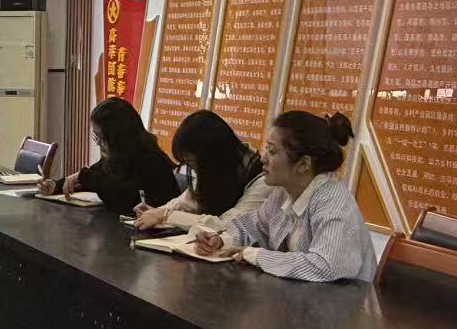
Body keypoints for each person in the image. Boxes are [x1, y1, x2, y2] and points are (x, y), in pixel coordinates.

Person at [191, 111, 376, 282]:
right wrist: (220, 240)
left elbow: (326, 266)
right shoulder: (283, 193)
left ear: (303, 164)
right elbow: (252, 226)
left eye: (272, 151)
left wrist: (255, 255)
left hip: (340, 304)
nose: (263, 158)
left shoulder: (333, 202)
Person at [36, 96, 178, 213]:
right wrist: (57, 186)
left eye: (101, 138)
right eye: (96, 137)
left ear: (118, 138)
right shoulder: (117, 155)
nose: (99, 144)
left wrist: (86, 177)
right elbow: (95, 176)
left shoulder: (151, 160)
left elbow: (124, 201)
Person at [132, 109, 268, 231]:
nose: (194, 170)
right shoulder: (219, 171)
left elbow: (227, 225)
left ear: (210, 158)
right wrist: (155, 212)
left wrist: (166, 215)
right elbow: (184, 203)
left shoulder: (263, 181)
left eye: (192, 163)